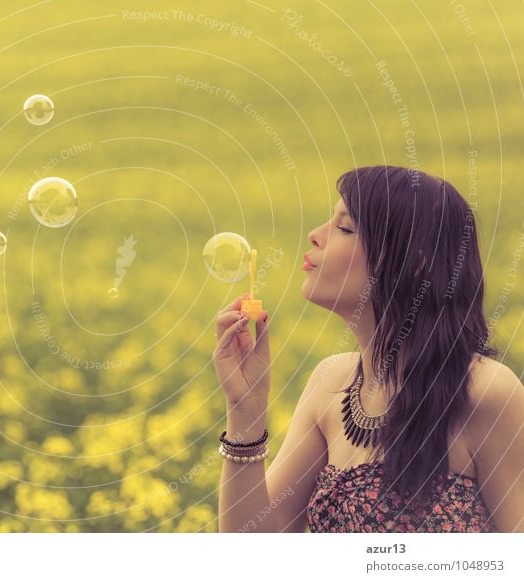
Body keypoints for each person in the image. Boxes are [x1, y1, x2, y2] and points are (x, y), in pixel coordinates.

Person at [215, 165, 524, 533]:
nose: (315, 235)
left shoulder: (485, 392)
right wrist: (245, 411)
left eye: (344, 227)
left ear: (416, 261)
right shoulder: (329, 385)